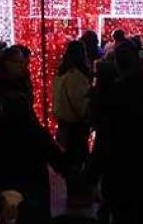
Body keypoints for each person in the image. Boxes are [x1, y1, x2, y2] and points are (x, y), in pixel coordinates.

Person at [0, 90, 67, 224]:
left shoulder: (1, 135)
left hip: (8, 197)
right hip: (35, 194)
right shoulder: (36, 132)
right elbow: (57, 159)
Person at [51, 40, 92, 201]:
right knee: (77, 161)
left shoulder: (61, 73)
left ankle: (73, 194)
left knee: (70, 162)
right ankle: (78, 196)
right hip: (75, 125)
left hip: (64, 124)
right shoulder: (75, 76)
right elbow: (80, 104)